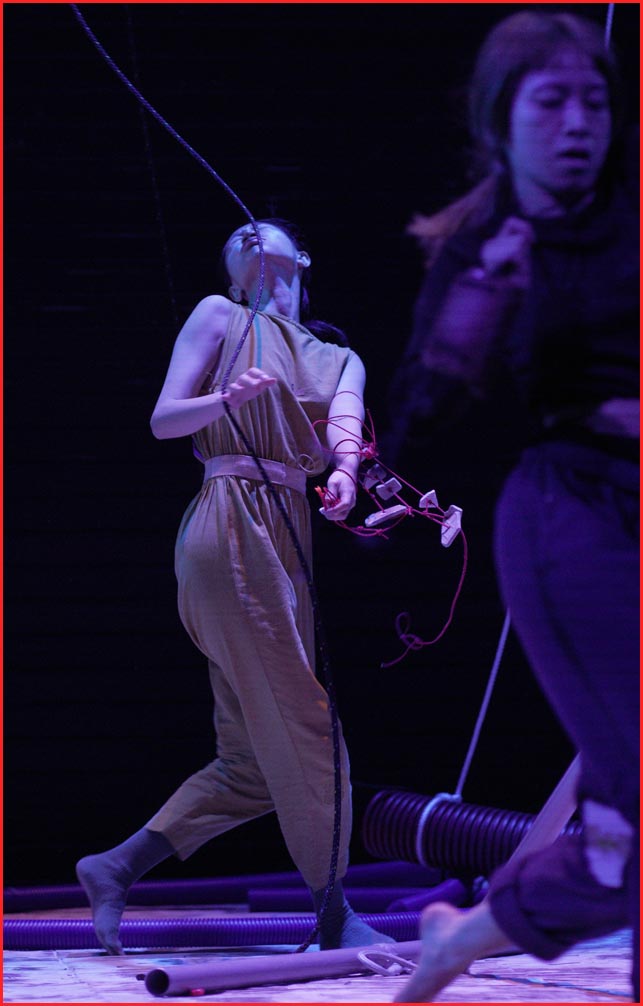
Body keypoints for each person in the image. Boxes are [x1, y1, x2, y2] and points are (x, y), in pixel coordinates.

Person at [390, 10, 639, 1001]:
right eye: (551, 102)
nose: (578, 123)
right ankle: (473, 930)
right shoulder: (483, 248)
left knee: (618, 841)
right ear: (502, 120)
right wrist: (483, 300)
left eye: (596, 102)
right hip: (574, 521)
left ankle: (466, 933)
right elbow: (420, 415)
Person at [76, 218, 388, 955]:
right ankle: (333, 911)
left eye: (266, 228)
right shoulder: (220, 315)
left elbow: (343, 433)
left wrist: (345, 476)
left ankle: (116, 866)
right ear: (228, 271)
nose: (250, 230)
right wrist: (227, 401)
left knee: (252, 761)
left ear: (301, 256)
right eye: (237, 234)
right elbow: (164, 420)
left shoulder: (339, 357)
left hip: (288, 536)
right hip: (228, 519)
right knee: (306, 722)